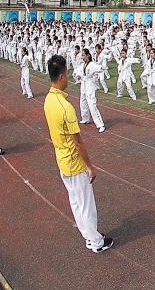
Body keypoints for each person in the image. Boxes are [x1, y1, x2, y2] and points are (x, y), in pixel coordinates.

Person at [43, 55, 113, 253]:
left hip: (61, 160)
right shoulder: (66, 107)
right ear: (62, 76)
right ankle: (96, 242)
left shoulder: (48, 100)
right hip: (74, 162)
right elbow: (78, 142)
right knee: (86, 204)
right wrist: (89, 167)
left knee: (75, 201)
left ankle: (87, 235)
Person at [74, 48, 108, 133]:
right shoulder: (83, 65)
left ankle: (100, 124)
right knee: (83, 102)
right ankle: (85, 118)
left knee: (92, 105)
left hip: (89, 85)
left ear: (88, 55)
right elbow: (79, 71)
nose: (82, 57)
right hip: (83, 84)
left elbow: (98, 67)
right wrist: (78, 75)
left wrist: (102, 67)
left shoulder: (91, 64)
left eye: (83, 55)